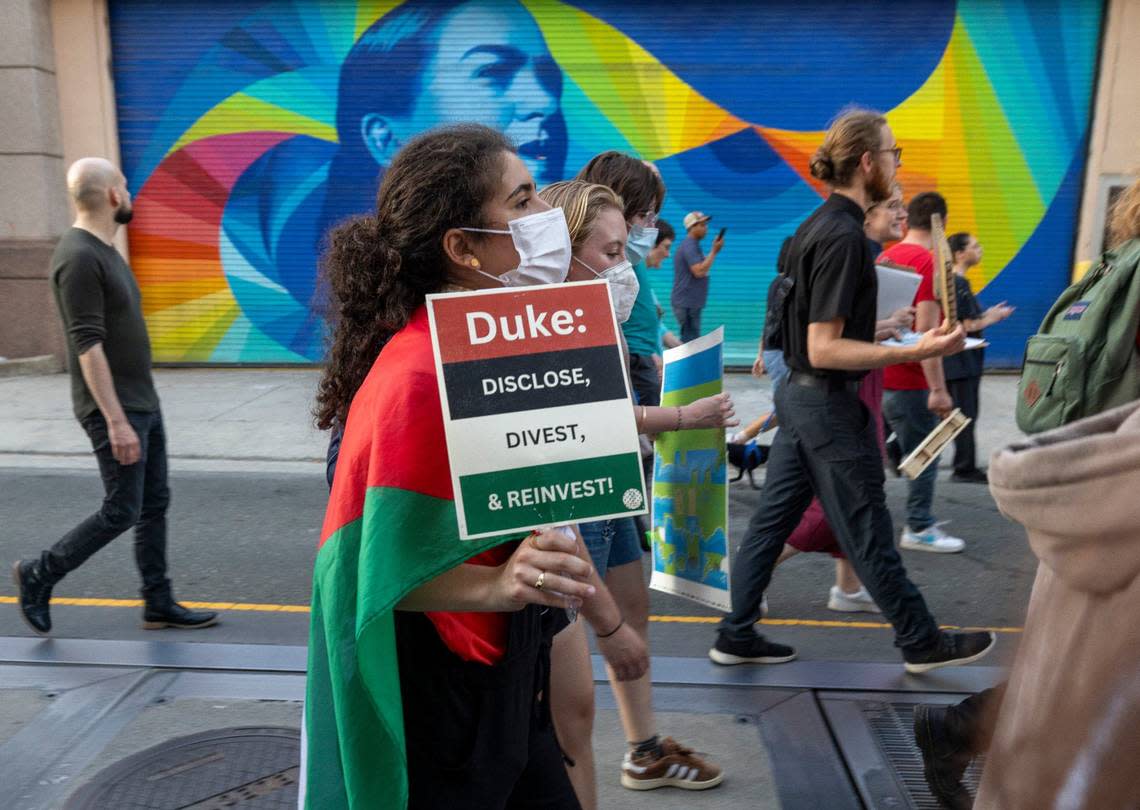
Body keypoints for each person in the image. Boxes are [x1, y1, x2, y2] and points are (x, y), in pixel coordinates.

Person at [305, 125, 611, 810]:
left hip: (513, 679)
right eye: (524, 200)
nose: (547, 219)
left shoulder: (506, 341)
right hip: (452, 704)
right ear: (463, 248)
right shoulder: (414, 373)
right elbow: (367, 574)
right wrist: (500, 584)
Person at [709, 107, 996, 675]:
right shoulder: (843, 237)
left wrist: (879, 329)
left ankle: (735, 632)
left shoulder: (816, 227)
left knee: (771, 522)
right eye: (893, 154)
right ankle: (920, 640)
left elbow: (814, 329)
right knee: (868, 527)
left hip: (799, 400)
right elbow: (823, 347)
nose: (897, 164)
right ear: (868, 162)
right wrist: (912, 350)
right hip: (827, 403)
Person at [914, 175, 1140, 810]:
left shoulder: (1120, 261)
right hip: (1117, 492)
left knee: (1067, 669)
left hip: (1091, 479)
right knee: (1088, 684)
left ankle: (955, 730)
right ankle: (953, 725)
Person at [539, 180, 730, 803]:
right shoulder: (548, 326)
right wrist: (684, 419)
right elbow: (591, 418)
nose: (626, 267)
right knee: (574, 689)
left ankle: (645, 750)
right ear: (560, 250)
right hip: (575, 496)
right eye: (613, 250)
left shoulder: (600, 315)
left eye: (629, 246)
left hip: (611, 485)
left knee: (631, 621)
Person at [11, 159, 218, 636]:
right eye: (124, 186)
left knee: (153, 503)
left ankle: (158, 602)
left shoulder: (104, 250)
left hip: (140, 400)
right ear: (110, 196)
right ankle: (40, 572)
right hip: (117, 409)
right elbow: (87, 345)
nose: (129, 193)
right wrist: (116, 421)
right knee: (121, 509)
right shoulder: (78, 256)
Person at [769, 184, 914, 614]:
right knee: (843, 499)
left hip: (859, 383)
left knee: (851, 494)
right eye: (893, 206)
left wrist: (888, 328)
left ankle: (847, 588)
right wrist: (902, 338)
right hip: (839, 389)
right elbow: (827, 341)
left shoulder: (863, 252)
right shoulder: (846, 247)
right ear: (868, 213)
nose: (899, 214)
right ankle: (751, 574)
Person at [880, 192, 967, 553]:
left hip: (880, 375)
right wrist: (938, 389)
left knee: (897, 449)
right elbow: (927, 333)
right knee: (927, 453)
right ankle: (918, 526)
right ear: (941, 223)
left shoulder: (887, 255)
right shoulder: (928, 261)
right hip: (913, 381)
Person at [942, 232, 1014, 483]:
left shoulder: (956, 282)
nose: (980, 249)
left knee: (956, 414)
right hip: (961, 362)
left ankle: (901, 451)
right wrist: (994, 317)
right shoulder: (958, 283)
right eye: (975, 246)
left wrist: (987, 313)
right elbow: (968, 324)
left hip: (959, 361)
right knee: (964, 415)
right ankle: (964, 468)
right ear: (960, 254)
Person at [672, 211, 723, 343]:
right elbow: (699, 271)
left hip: (690, 301)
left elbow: (702, 267)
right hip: (687, 302)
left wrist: (712, 250)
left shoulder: (693, 245)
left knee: (691, 340)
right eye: (702, 225)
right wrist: (714, 251)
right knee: (690, 342)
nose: (706, 228)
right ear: (692, 227)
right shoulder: (690, 245)